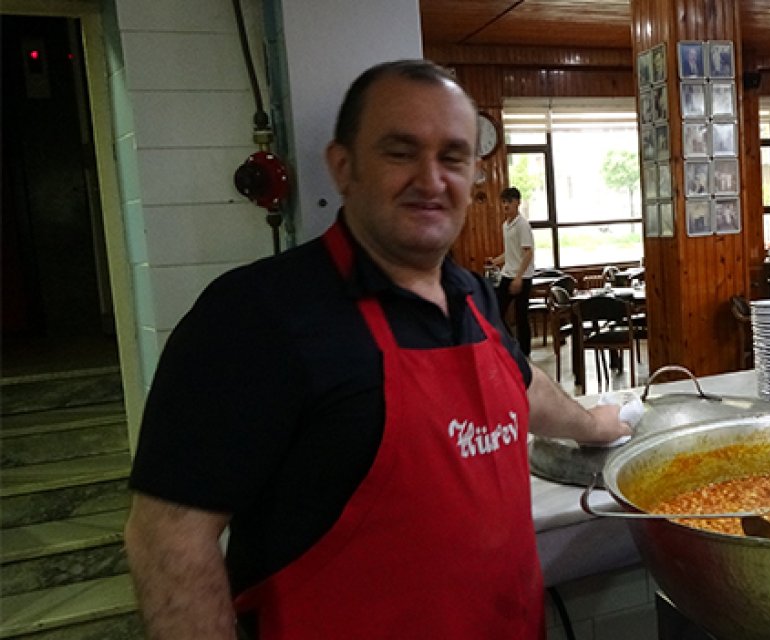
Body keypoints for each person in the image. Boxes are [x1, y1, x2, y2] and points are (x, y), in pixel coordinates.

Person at [123, 59, 630, 640]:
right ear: (343, 167)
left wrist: (592, 424)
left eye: (453, 157)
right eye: (400, 151)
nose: (432, 179)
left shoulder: (470, 296)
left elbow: (520, 383)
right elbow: (167, 539)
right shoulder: (256, 316)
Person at [490, 187, 535, 356]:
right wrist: (494, 261)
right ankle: (510, 345)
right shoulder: (505, 225)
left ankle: (525, 353)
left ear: (517, 202)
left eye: (509, 201)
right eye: (503, 202)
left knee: (521, 316)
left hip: (522, 276)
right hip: (507, 274)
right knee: (496, 311)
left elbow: (527, 252)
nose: (505, 205)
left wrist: (518, 278)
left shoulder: (522, 225)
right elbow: (510, 253)